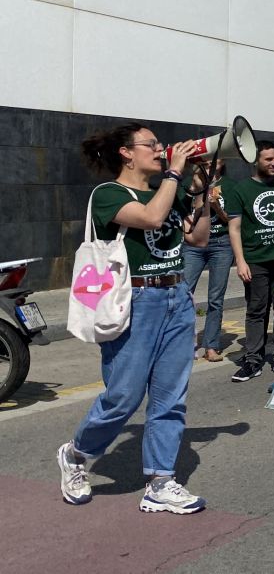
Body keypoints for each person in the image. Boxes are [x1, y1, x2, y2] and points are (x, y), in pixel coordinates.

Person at [58, 123, 211, 513]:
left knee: (170, 397)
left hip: (177, 296)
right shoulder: (110, 194)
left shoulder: (168, 190)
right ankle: (77, 454)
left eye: (161, 145)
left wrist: (201, 192)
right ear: (127, 153)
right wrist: (175, 173)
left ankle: (161, 481)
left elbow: (198, 239)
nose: (160, 150)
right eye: (152, 145)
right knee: (123, 396)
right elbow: (151, 219)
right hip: (136, 301)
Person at [226, 140, 274, 381]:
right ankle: (253, 360)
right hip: (255, 260)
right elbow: (234, 228)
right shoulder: (241, 190)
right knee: (256, 311)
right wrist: (240, 260)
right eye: (268, 159)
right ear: (254, 161)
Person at [181, 161, 233, 362]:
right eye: (206, 159)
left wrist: (217, 208)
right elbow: (180, 211)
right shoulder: (189, 183)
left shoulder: (230, 186)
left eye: (216, 158)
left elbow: (232, 220)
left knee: (216, 298)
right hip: (194, 245)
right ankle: (185, 345)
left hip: (221, 243)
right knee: (184, 294)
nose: (211, 162)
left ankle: (211, 345)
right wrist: (197, 196)